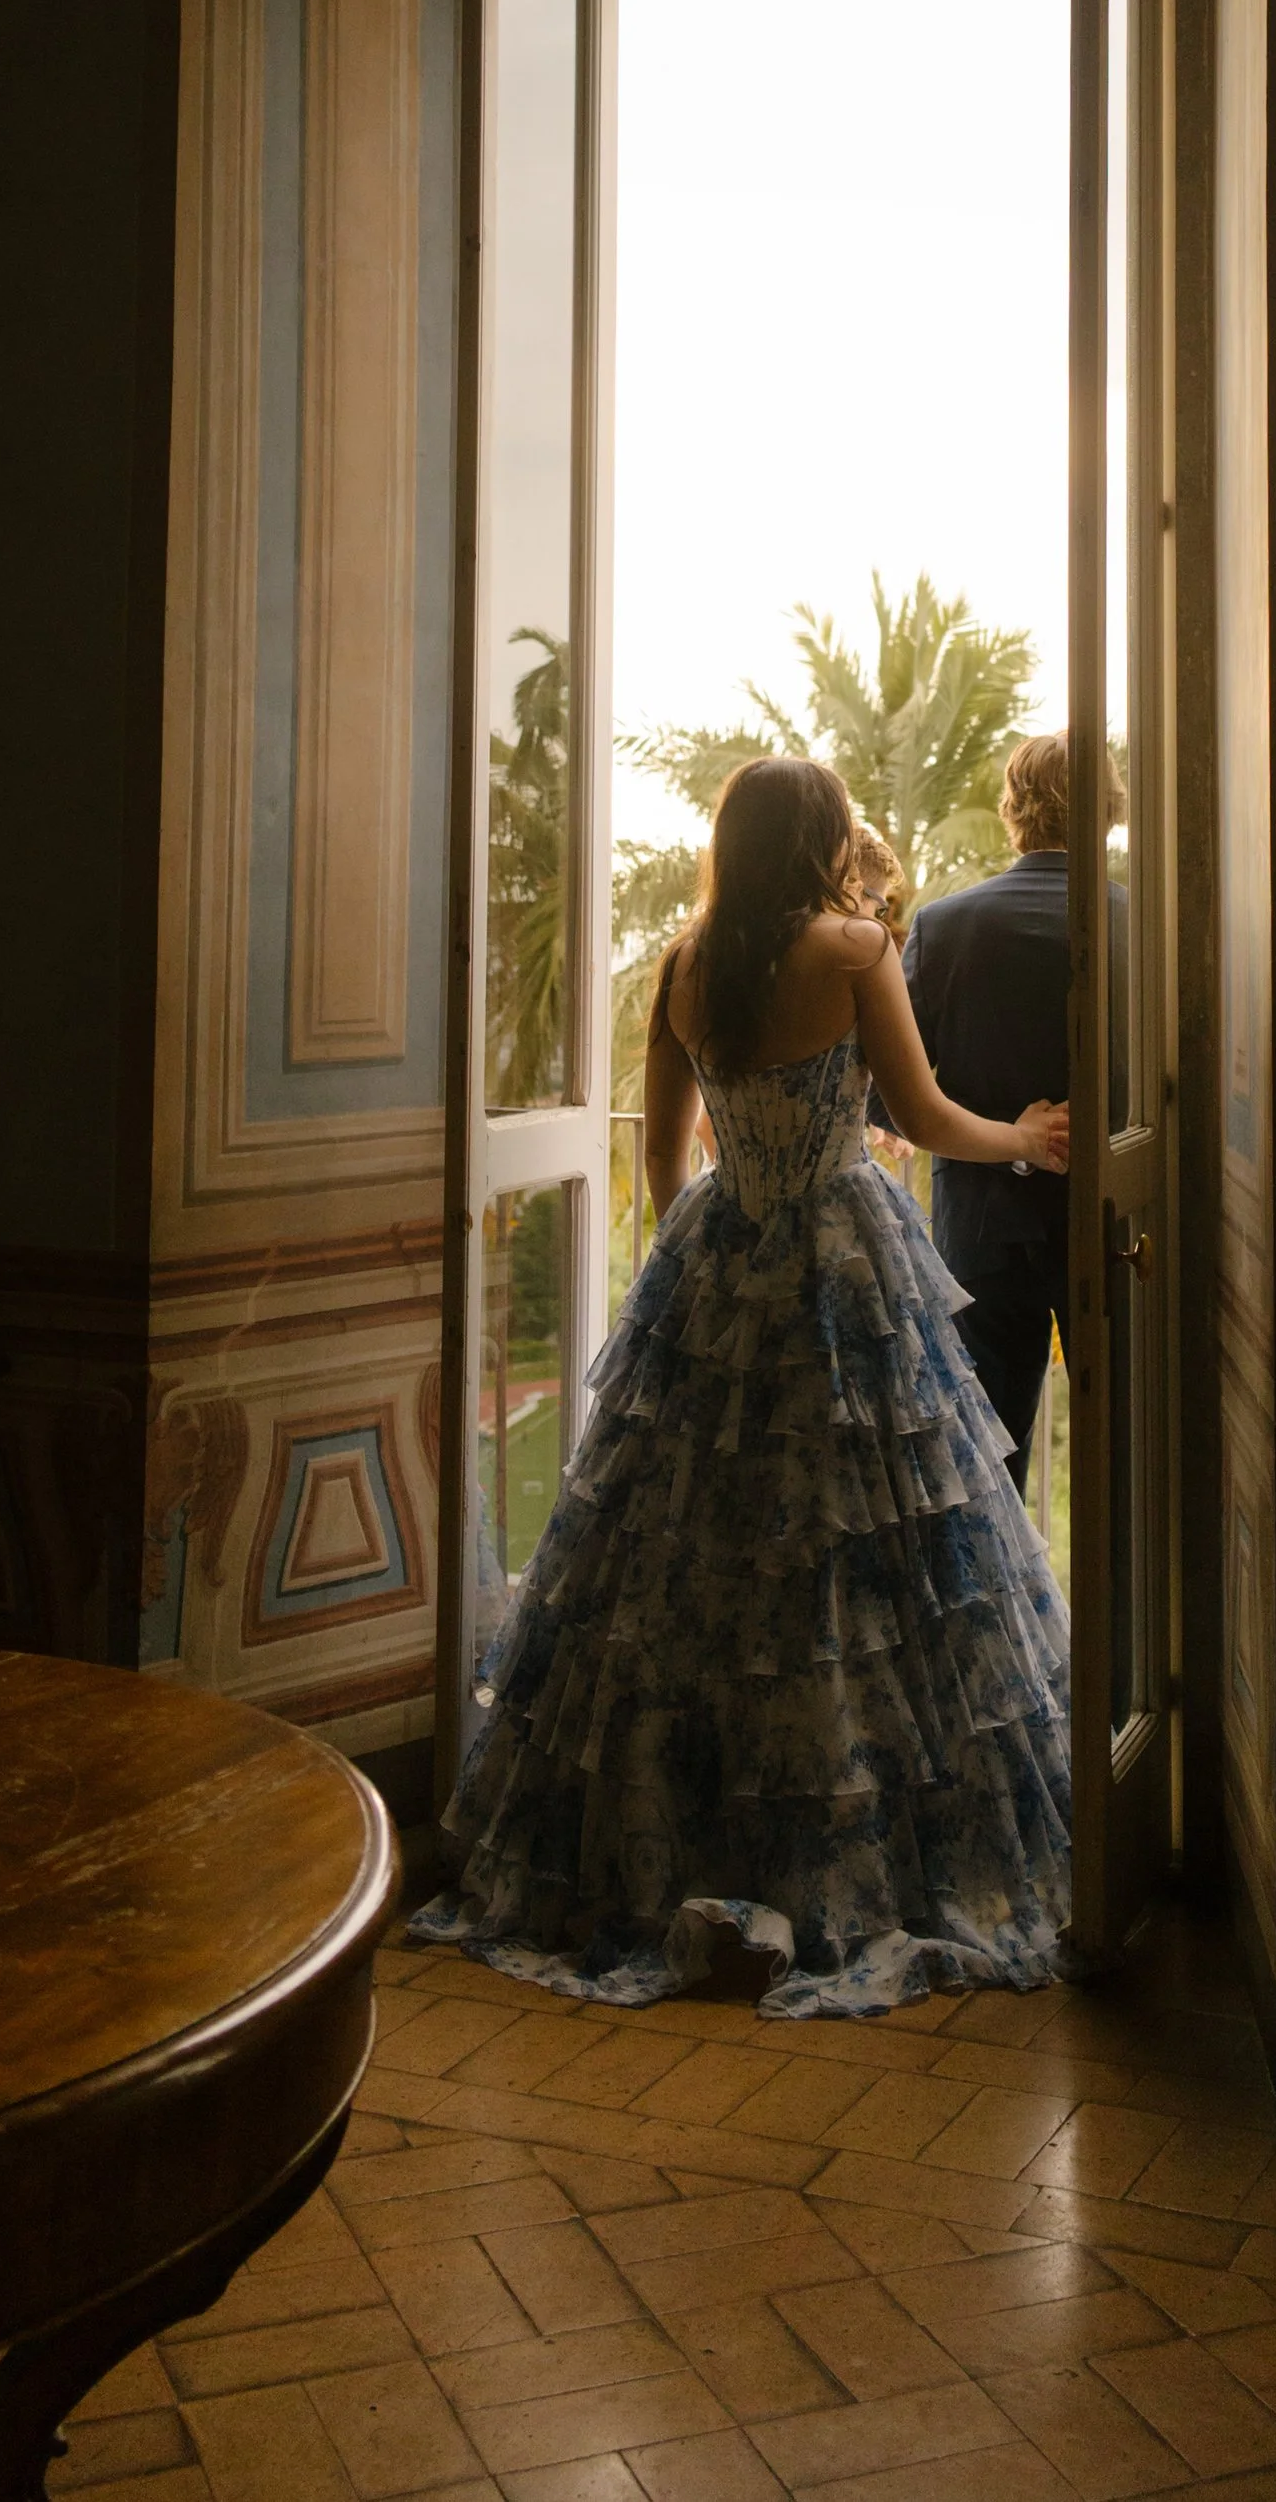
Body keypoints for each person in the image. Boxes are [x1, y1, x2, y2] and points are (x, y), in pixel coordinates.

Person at [410, 753, 1072, 2019]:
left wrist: (705, 1273)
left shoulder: (683, 963)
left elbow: (663, 1152)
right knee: (862, 1548)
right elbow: (925, 1118)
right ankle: (848, 1847)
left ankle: (681, 1850)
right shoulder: (854, 950)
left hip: (720, 1261)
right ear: (825, 838)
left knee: (694, 1557)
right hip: (843, 1258)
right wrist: (1026, 1139)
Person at [901, 730, 1114, 1498]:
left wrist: (1003, 1134)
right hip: (1118, 1227)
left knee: (984, 1467)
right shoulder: (1145, 925)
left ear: (1013, 809)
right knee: (1123, 1457)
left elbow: (883, 1096)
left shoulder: (944, 928)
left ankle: (995, 1618)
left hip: (980, 1226)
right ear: (1109, 808)